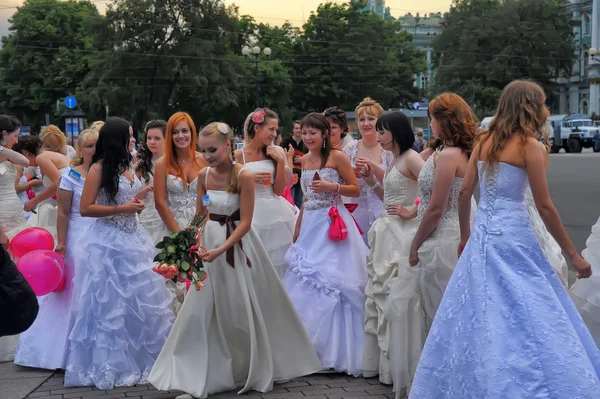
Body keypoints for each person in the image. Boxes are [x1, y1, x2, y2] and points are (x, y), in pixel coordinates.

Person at [409, 80, 600, 398]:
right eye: (542, 104)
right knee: (531, 309)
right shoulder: (530, 146)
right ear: (531, 107)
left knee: (479, 311)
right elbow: (544, 206)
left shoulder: (484, 141)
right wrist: (573, 254)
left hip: (483, 240)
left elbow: (467, 192)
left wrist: (466, 236)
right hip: (515, 240)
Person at [148, 122, 322, 399]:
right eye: (203, 150)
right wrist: (186, 242)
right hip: (209, 243)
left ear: (228, 145)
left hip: (237, 245)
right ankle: (195, 373)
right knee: (201, 309)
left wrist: (221, 249)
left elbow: (246, 222)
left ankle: (246, 364)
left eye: (213, 150)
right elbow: (201, 213)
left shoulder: (242, 175)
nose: (207, 156)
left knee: (240, 306)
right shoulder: (204, 175)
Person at [64, 117, 174, 389]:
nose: (134, 139)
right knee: (110, 305)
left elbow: (127, 198)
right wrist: (121, 210)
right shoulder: (99, 169)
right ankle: (113, 363)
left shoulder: (127, 165)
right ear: (117, 138)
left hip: (134, 239)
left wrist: (143, 193)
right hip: (107, 243)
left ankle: (143, 358)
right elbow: (86, 208)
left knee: (139, 301)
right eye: (129, 135)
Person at [282, 113, 367, 376]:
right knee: (304, 278)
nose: (308, 138)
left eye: (313, 134)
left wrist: (333, 186)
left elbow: (356, 189)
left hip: (334, 223)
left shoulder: (337, 157)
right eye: (304, 133)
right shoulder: (304, 160)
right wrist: (298, 225)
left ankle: (337, 351)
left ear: (324, 135)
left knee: (335, 282)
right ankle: (308, 349)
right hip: (310, 224)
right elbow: (306, 198)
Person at [14, 129, 98, 370]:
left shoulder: (42, 157)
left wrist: (38, 200)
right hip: (67, 217)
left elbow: (61, 182)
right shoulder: (63, 160)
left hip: (67, 215)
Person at [360, 111, 424, 384]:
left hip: (403, 235)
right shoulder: (396, 160)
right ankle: (387, 366)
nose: (378, 136)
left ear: (395, 132)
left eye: (382, 131)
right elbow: (388, 197)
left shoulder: (412, 158)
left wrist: (412, 212)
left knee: (397, 297)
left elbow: (434, 193)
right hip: (386, 231)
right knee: (381, 295)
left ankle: (404, 366)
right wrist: (371, 181)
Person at [236, 109, 297, 278]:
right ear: (257, 128)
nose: (274, 134)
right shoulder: (239, 155)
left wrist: (279, 161)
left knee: (277, 262)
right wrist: (248, 178)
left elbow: (278, 191)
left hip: (274, 211)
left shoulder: (275, 152)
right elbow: (230, 188)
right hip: (249, 211)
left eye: (276, 130)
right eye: (271, 129)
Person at [0, 115, 30, 362]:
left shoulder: (7, 155)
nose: (17, 139)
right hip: (1, 220)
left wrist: (2, 147)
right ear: (3, 133)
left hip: (16, 217)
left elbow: (23, 159)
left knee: (20, 271)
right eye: (14, 135)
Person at [343, 98, 393, 244]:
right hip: (357, 213)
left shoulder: (388, 149)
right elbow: (339, 179)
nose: (366, 123)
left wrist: (373, 170)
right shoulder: (350, 148)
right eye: (361, 119)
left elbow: (395, 180)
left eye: (371, 118)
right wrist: (351, 174)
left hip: (384, 212)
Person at [136, 120, 167, 244]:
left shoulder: (173, 164)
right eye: (149, 138)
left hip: (168, 217)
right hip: (146, 218)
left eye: (157, 138)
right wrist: (145, 190)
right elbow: (132, 198)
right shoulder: (141, 166)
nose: (152, 142)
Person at [280, 120, 307, 208]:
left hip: (301, 175)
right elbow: (281, 155)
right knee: (289, 200)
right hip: (290, 174)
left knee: (299, 201)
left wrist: (302, 159)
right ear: (293, 130)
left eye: (300, 128)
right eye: (296, 128)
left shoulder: (306, 143)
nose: (298, 130)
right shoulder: (286, 142)